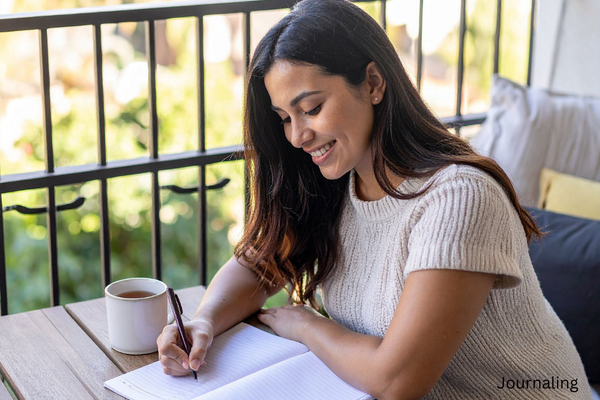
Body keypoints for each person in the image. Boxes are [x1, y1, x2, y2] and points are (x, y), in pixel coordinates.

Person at [157, 0, 592, 398]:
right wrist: (205, 321)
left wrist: (307, 326)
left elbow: (396, 379)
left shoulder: (460, 198)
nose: (296, 135)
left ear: (373, 82)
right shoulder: (335, 183)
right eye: (285, 118)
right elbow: (259, 263)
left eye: (310, 108)